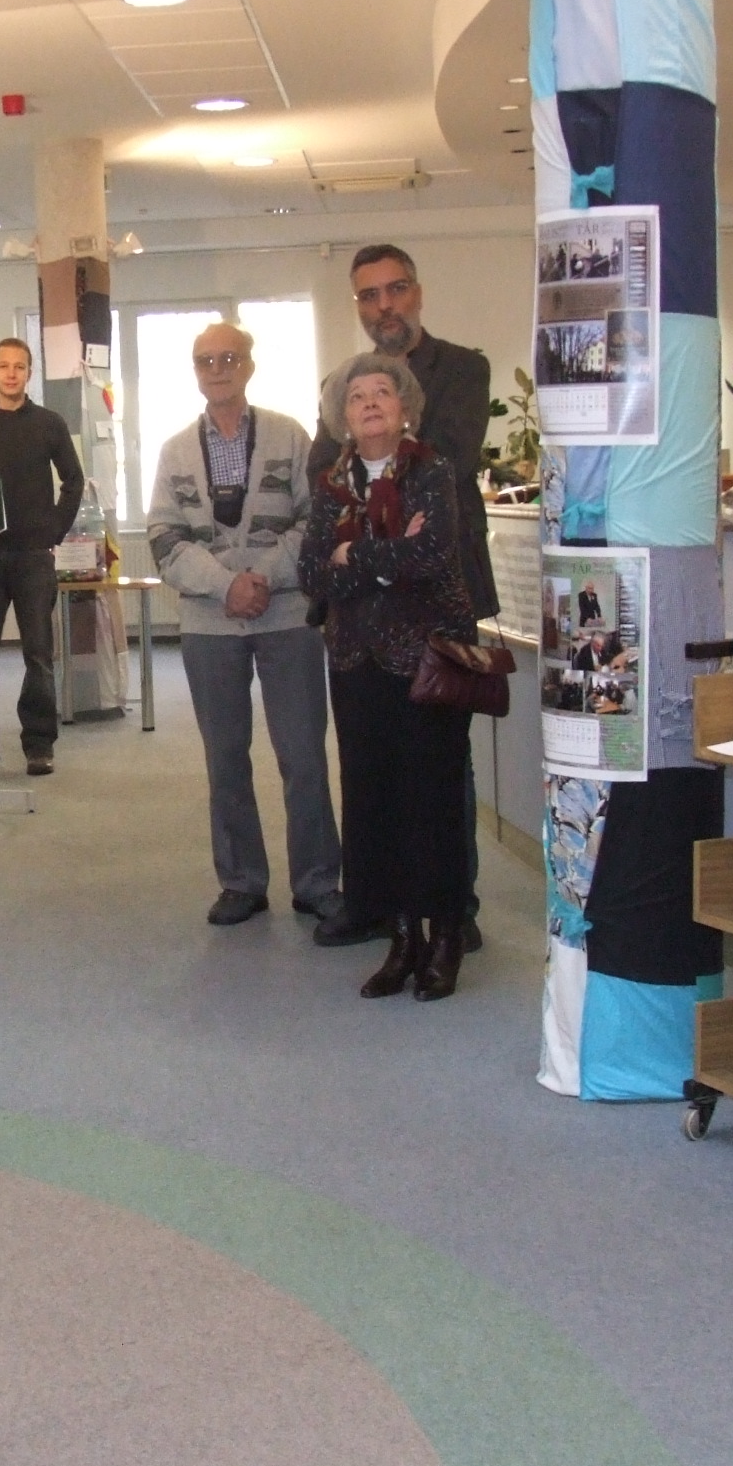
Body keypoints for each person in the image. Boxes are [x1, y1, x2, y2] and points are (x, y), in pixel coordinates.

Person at [308, 245, 494, 951]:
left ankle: (451, 909)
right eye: (369, 295)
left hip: (437, 604)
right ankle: (375, 903)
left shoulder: (464, 369)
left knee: (440, 767)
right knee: (367, 764)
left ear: (416, 292)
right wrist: (368, 548)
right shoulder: (343, 381)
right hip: (358, 625)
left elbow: (447, 462)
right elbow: (325, 470)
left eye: (395, 290)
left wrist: (357, 551)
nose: (383, 305)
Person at [147, 321, 343, 932]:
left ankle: (317, 883)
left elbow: (317, 520)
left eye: (229, 357)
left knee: (303, 755)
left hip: (286, 616)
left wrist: (260, 576)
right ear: (195, 371)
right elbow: (163, 537)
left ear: (250, 365)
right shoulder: (175, 450)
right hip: (209, 623)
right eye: (206, 360)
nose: (218, 369)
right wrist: (223, 584)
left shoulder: (290, 435)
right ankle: (241, 882)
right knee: (225, 758)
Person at [0, 336, 81, 779]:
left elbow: (73, 481)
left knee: (38, 656)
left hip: (33, 558)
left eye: (20, 367)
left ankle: (39, 746)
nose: (11, 374)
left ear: (29, 373)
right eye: (4, 366)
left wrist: (54, 530)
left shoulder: (49, 423)